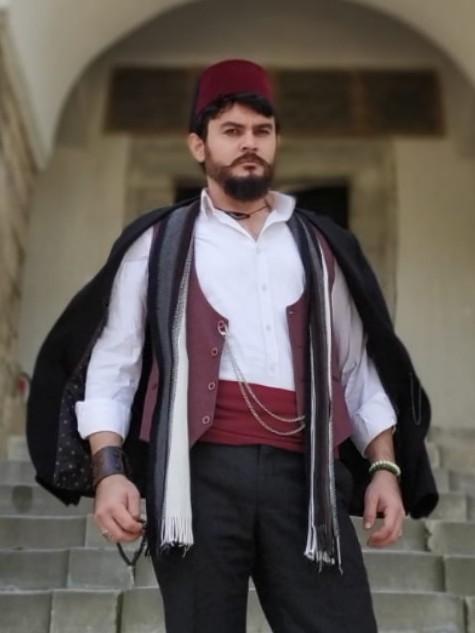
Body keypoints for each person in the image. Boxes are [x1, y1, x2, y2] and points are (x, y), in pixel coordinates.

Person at [27, 59, 438, 633]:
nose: (250, 143)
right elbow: (114, 367)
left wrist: (385, 468)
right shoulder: (156, 244)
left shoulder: (321, 246)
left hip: (307, 480)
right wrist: (109, 472)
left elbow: (356, 369)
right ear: (198, 145)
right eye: (232, 130)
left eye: (262, 131)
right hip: (197, 478)